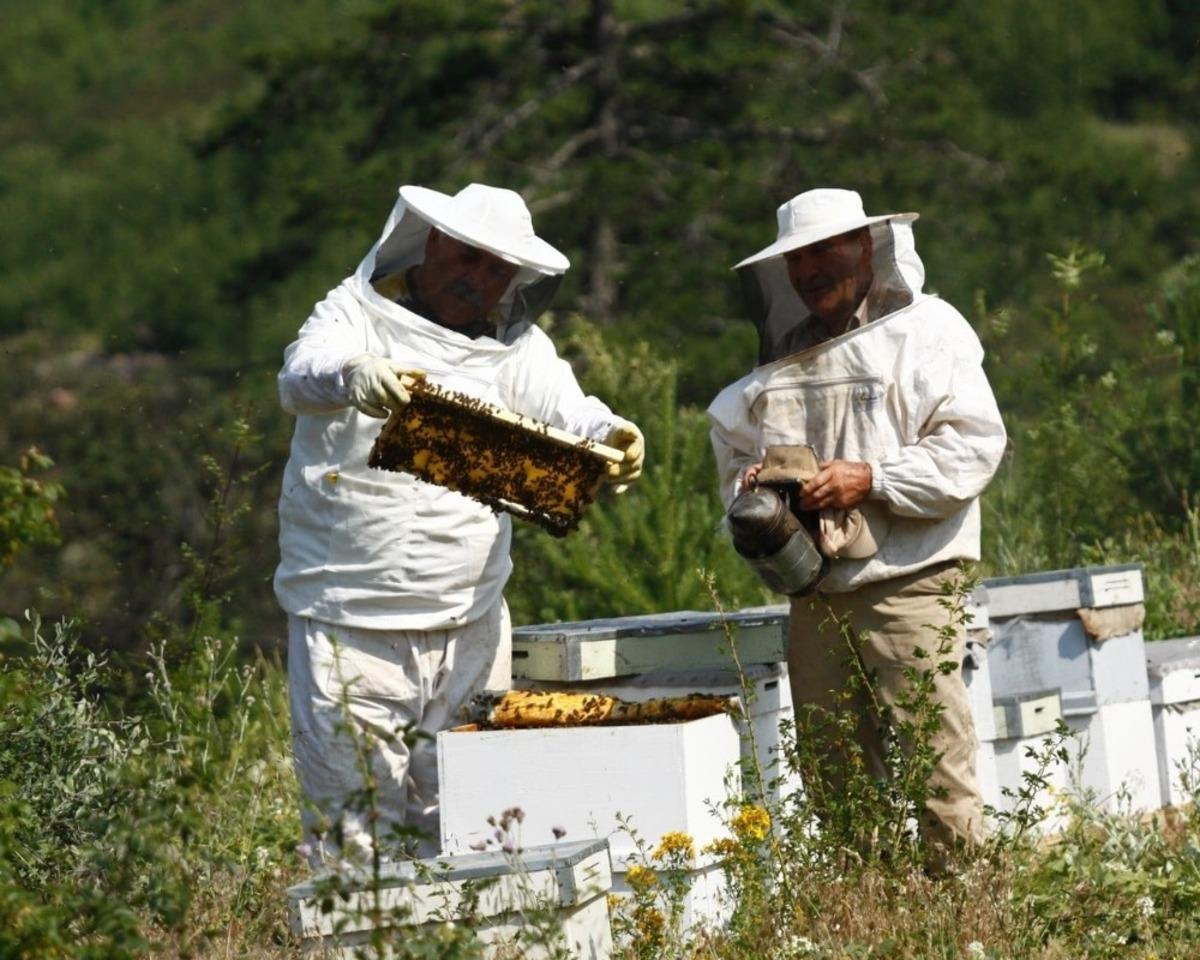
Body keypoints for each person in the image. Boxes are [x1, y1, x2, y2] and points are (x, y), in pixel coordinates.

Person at [274, 182, 644, 864]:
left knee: (468, 819)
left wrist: (614, 433)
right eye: (470, 259)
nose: (480, 281)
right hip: (351, 620)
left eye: (498, 270)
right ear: (434, 241)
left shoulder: (516, 347)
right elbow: (299, 375)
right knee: (352, 827)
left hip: (470, 618)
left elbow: (573, 411)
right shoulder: (355, 312)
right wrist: (351, 373)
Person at [707, 187, 1006, 864]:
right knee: (832, 767)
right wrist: (756, 485)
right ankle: (863, 907)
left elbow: (973, 447)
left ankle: (962, 900)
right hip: (813, 588)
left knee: (935, 756)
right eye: (798, 260)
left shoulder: (928, 332)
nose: (812, 271)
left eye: (825, 251)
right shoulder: (785, 357)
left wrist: (869, 479)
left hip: (911, 580)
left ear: (865, 247)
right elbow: (732, 446)